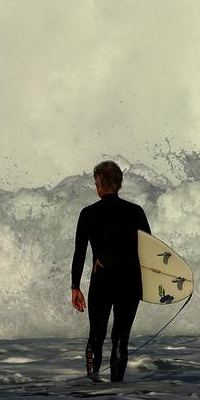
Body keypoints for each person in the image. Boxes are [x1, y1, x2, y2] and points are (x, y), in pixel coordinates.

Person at [70, 160, 150, 382]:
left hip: (102, 280)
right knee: (121, 338)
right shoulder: (136, 212)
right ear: (119, 184)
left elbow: (79, 253)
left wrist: (75, 286)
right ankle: (116, 392)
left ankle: (92, 383)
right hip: (130, 281)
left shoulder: (88, 213)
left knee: (96, 336)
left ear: (98, 183)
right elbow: (150, 250)